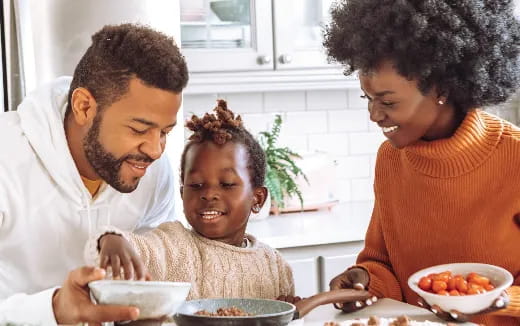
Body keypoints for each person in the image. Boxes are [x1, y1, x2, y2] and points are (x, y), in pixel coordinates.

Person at [322, 0, 520, 325]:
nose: (373, 115)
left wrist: (500, 300)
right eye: (367, 98)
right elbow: (382, 262)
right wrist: (363, 278)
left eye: (387, 101)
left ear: (441, 88)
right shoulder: (390, 159)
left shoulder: (515, 159)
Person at [0, 23, 188, 324]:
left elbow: (149, 274)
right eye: (139, 129)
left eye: (165, 132)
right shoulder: (6, 159)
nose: (155, 150)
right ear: (84, 107)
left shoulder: (152, 173)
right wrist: (52, 310)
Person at [85, 100, 295, 300]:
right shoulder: (172, 245)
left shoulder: (275, 266)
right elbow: (131, 249)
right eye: (196, 185)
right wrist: (110, 239)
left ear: (257, 199)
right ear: (182, 192)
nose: (209, 194)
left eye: (227, 184)